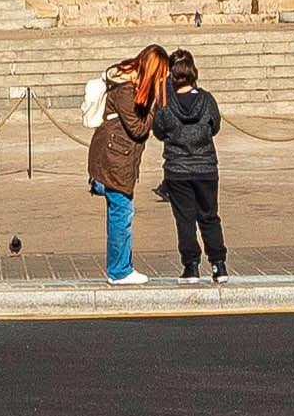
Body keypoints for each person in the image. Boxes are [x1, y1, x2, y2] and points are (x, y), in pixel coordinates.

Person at [150, 43, 226, 279]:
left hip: (178, 169)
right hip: (205, 168)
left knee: (185, 219)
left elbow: (159, 131)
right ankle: (218, 264)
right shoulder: (207, 100)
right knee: (209, 216)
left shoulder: (164, 103)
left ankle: (191, 265)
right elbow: (215, 126)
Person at [86, 50, 157, 285]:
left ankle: (121, 267)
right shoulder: (127, 90)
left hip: (115, 157)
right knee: (121, 215)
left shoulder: (127, 84)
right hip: (115, 160)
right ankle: (120, 270)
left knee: (119, 213)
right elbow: (137, 128)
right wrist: (153, 112)